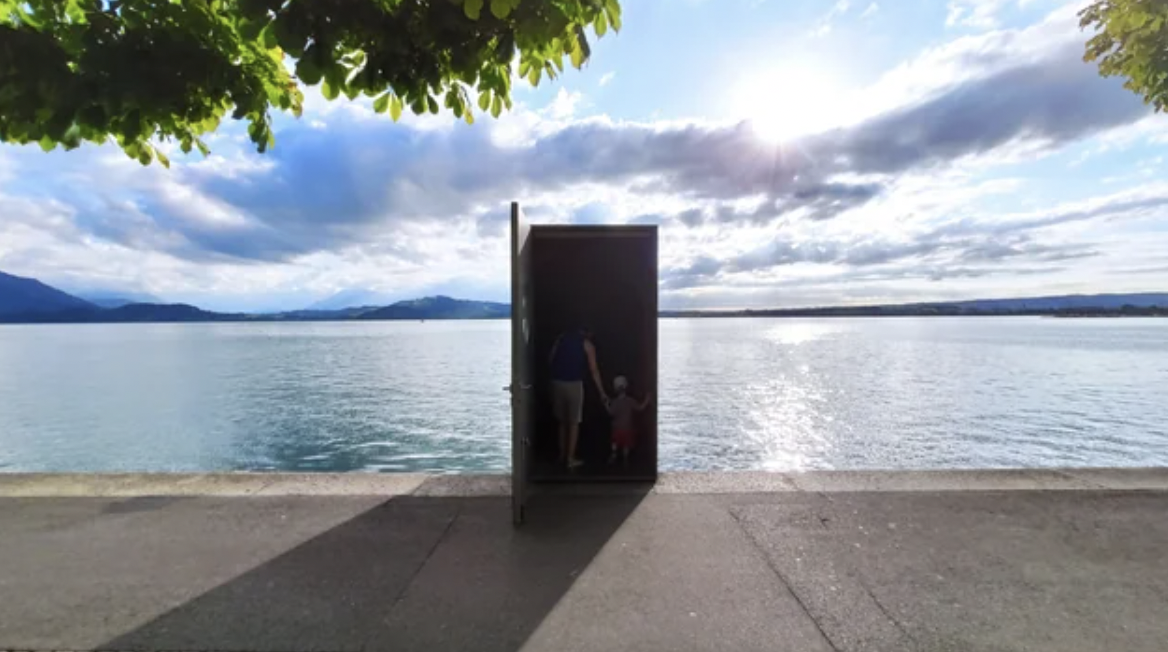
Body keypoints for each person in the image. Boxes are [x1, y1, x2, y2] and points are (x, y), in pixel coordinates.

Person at [549, 325, 607, 469]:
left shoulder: (561, 338)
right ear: (589, 333)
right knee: (574, 422)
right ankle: (570, 459)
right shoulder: (587, 344)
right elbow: (594, 370)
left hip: (557, 382)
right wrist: (602, 392)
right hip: (574, 383)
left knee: (562, 421)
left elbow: (550, 359)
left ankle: (562, 455)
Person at [605, 375, 652, 466]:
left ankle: (614, 454)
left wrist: (606, 404)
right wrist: (647, 399)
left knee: (615, 442)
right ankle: (625, 459)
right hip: (628, 428)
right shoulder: (630, 400)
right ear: (626, 388)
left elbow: (611, 413)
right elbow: (640, 408)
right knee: (626, 444)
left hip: (616, 428)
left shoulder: (615, 402)